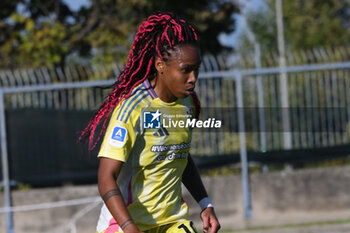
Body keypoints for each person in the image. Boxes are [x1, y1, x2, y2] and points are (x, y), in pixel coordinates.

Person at [80, 12, 220, 233]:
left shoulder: (188, 104)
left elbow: (179, 155)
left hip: (171, 222)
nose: (193, 77)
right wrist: (129, 228)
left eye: (196, 69)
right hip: (124, 226)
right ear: (160, 65)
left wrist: (205, 204)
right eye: (185, 70)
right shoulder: (133, 108)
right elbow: (106, 178)